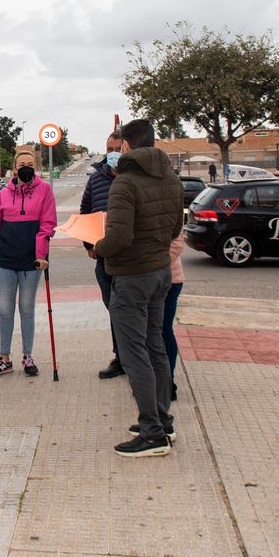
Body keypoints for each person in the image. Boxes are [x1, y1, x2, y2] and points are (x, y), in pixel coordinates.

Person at [93, 119, 184, 458]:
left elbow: (118, 239)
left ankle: (152, 433)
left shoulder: (125, 184)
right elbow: (176, 227)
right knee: (155, 346)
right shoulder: (171, 178)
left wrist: (95, 248)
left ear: (127, 146)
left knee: (134, 355)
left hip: (132, 276)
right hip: (160, 272)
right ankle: (162, 421)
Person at [0, 149, 58, 378]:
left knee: (26, 308)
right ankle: (4, 358)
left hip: (32, 262)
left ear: (35, 166)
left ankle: (28, 356)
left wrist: (41, 255)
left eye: (29, 163)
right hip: (6, 260)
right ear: (15, 168)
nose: (25, 167)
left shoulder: (44, 190)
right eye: (21, 164)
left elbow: (48, 224)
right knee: (5, 309)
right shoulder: (4, 194)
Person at [79, 130, 124, 379]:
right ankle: (120, 357)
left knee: (128, 309)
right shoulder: (96, 179)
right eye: (109, 149)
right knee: (113, 309)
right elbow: (86, 210)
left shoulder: (133, 178)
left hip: (129, 258)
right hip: (103, 257)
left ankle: (135, 358)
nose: (113, 154)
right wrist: (88, 245)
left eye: (117, 149)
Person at [163, 234, 184, 401]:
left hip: (168, 279)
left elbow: (177, 243)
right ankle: (162, 382)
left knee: (163, 329)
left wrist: (152, 267)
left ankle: (166, 382)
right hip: (160, 276)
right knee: (158, 330)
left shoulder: (172, 207)